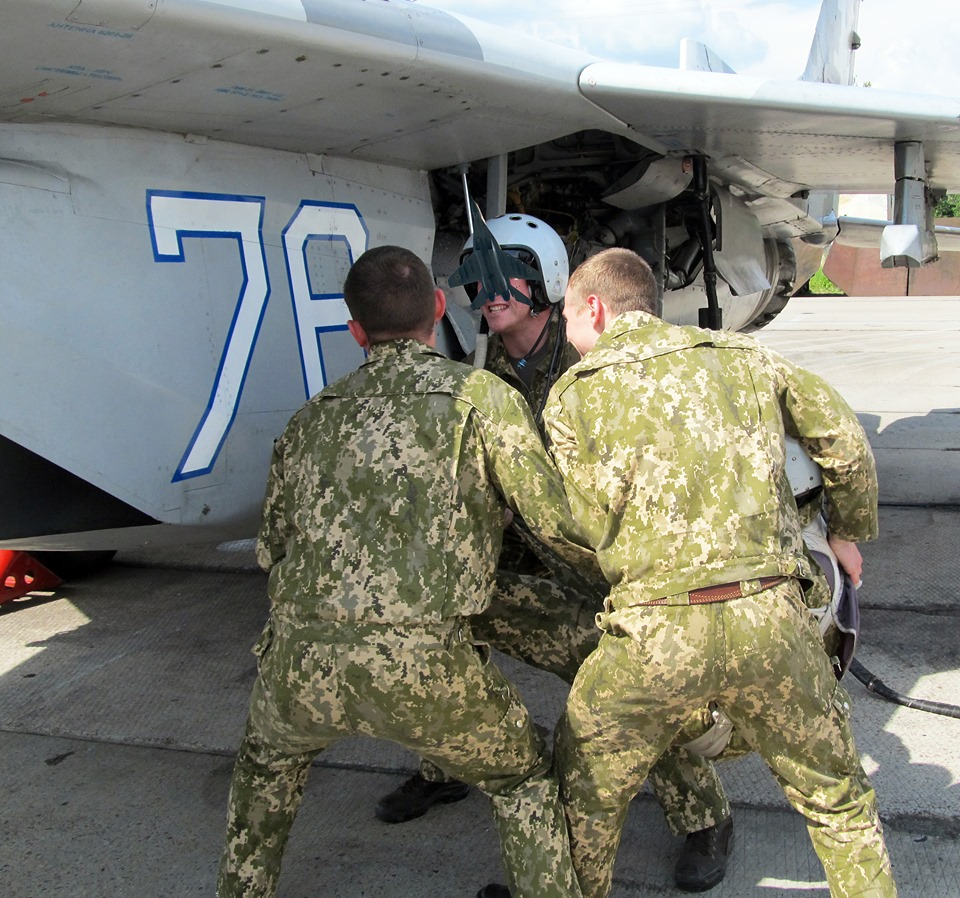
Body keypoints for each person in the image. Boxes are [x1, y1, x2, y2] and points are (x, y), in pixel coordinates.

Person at [216, 245, 596, 898]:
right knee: (522, 779)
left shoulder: (310, 419)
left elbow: (273, 548)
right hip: (427, 672)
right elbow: (557, 526)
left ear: (355, 330)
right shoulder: (481, 398)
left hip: (300, 668)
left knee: (264, 768)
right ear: (440, 308)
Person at [374, 214, 735, 893]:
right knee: (443, 629)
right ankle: (446, 765)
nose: (489, 293)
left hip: (593, 560)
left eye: (506, 276)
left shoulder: (588, 363)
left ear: (543, 279)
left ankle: (704, 816)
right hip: (515, 549)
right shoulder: (483, 372)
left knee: (629, 678)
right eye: (477, 280)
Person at [546, 247, 897, 898]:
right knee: (838, 799)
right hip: (769, 620)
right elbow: (842, 439)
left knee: (584, 794)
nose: (564, 331)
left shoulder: (571, 397)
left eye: (565, 315)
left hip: (652, 637)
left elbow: (585, 527)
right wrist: (845, 534)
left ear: (594, 307)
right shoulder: (744, 356)